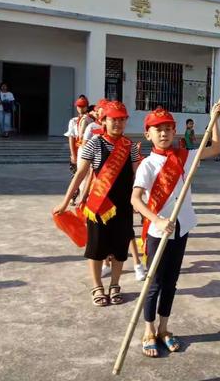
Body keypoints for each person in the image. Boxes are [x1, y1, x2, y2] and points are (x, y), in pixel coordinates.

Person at [132, 104, 220, 358]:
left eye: (168, 129)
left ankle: (164, 328)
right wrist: (157, 220)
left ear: (175, 132)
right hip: (158, 232)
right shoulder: (147, 165)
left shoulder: (185, 156)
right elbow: (135, 200)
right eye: (158, 129)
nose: (164, 133)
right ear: (148, 134)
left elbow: (216, 148)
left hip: (181, 227)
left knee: (171, 282)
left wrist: (214, 120)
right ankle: (148, 330)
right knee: (154, 284)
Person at [53, 101, 141, 306]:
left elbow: (139, 175)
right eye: (113, 119)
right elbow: (80, 174)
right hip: (99, 204)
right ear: (104, 120)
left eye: (122, 120)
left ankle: (115, 285)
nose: (118, 124)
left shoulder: (130, 146)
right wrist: (66, 202)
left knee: (120, 248)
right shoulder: (93, 142)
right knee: (96, 247)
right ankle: (97, 286)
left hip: (123, 205)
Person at [64, 95, 91, 205]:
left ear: (87, 107)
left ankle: (86, 198)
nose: (80, 108)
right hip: (78, 148)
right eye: (79, 106)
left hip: (88, 149)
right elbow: (71, 137)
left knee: (88, 176)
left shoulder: (90, 119)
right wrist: (73, 154)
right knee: (76, 174)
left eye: (83, 106)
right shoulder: (73, 121)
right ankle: (73, 197)